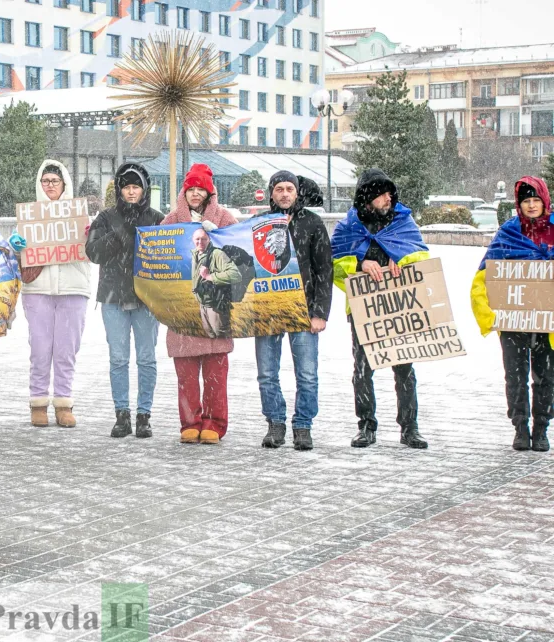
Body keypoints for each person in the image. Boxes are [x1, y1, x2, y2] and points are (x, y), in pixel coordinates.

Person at [331, 168, 430, 450]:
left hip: (399, 307)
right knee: (363, 370)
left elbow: (422, 255)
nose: (388, 198)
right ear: (369, 197)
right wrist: (359, 264)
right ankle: (366, 425)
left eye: (389, 193)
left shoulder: (403, 222)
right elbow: (332, 264)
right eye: (382, 194)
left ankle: (410, 428)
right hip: (363, 308)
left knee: (405, 368)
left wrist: (404, 259)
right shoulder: (348, 227)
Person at [472, 176, 554, 452]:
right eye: (526, 201)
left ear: (545, 201)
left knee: (546, 375)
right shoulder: (509, 232)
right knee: (515, 375)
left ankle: (541, 427)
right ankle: (520, 427)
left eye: (536, 200)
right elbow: (487, 272)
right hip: (514, 318)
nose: (531, 206)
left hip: (547, 320)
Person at [160, 164, 240, 444]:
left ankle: (214, 423)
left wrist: (217, 236)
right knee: (186, 373)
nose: (195, 193)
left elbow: (239, 253)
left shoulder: (225, 218)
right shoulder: (171, 220)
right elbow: (158, 256)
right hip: (182, 306)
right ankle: (189, 422)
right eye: (190, 188)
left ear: (209, 191)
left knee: (216, 372)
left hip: (215, 303)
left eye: (200, 189)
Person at [254, 172, 333, 451]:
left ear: (297, 193)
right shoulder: (258, 223)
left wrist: (320, 312)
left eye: (289, 189)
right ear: (271, 193)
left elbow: (325, 268)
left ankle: (303, 425)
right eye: (279, 189)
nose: (285, 194)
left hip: (304, 309)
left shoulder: (312, 222)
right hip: (268, 311)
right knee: (266, 372)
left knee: (307, 373)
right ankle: (275, 422)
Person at [86, 162, 164, 438]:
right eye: (127, 187)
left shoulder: (156, 218)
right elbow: (93, 253)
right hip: (113, 297)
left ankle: (144, 415)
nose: (131, 192)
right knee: (118, 358)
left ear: (145, 189)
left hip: (146, 299)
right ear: (119, 190)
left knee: (146, 358)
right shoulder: (105, 218)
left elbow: (169, 256)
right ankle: (122, 414)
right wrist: (116, 236)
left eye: (136, 187)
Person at [21, 160, 90, 428]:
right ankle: (38, 403)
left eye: (55, 181)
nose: (50, 185)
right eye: (45, 181)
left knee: (66, 350)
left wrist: (89, 236)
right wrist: (19, 246)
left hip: (73, 288)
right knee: (39, 348)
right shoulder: (29, 215)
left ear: (65, 184)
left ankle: (64, 403)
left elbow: (92, 252)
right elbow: (19, 253)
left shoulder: (79, 215)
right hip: (38, 289)